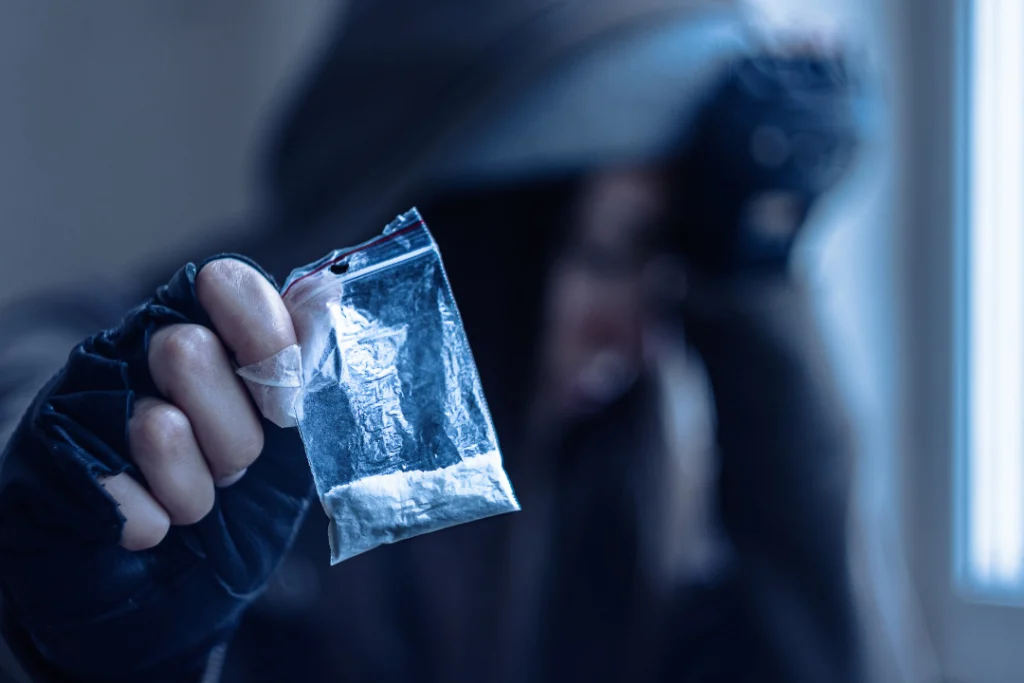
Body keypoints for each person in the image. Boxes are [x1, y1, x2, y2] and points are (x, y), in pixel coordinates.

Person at [0, 0, 866, 681]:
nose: (637, 338)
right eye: (607, 254)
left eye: (672, 273)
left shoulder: (601, 516)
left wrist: (755, 296)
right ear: (442, 224)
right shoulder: (114, 394)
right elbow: (33, 438)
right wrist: (48, 636)